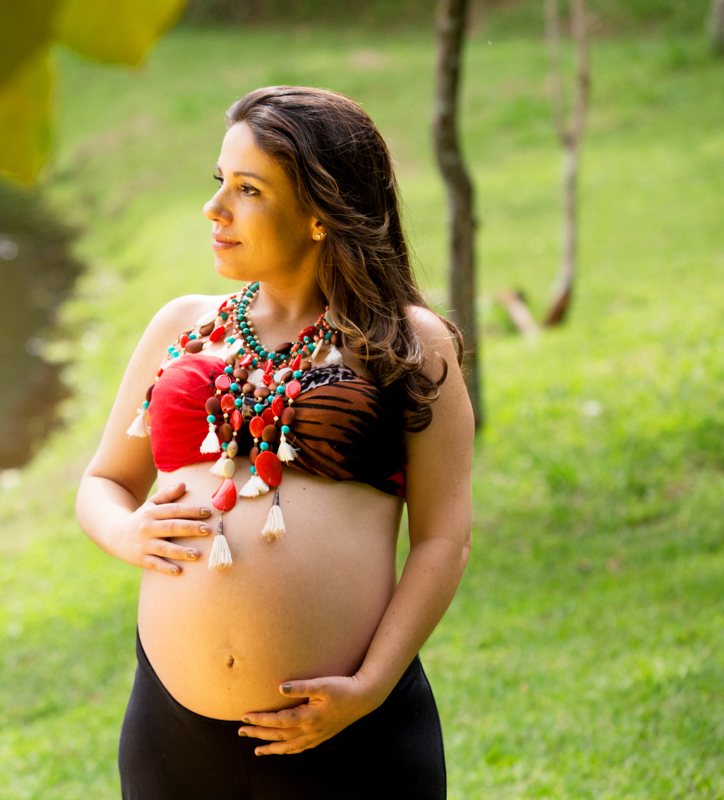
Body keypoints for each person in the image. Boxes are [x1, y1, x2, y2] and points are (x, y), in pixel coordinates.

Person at [74, 86, 475, 799]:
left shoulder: (407, 344)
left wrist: (371, 686)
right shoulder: (184, 327)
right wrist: (127, 531)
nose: (216, 208)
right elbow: (102, 482)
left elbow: (444, 537)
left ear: (321, 213)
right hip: (174, 736)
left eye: (248, 189)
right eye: (218, 182)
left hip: (349, 737)